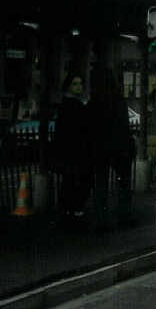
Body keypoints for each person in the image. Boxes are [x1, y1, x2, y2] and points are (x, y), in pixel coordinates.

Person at [87, 67, 136, 229]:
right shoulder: (119, 100)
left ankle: (101, 218)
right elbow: (124, 126)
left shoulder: (94, 101)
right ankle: (124, 216)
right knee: (123, 185)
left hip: (101, 148)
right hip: (120, 148)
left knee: (101, 184)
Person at [52, 73, 91, 218]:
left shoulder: (68, 105)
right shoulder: (73, 106)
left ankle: (67, 209)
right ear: (68, 86)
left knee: (70, 182)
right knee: (75, 182)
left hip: (71, 151)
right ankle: (73, 209)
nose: (79, 86)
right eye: (75, 84)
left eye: (80, 83)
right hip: (74, 151)